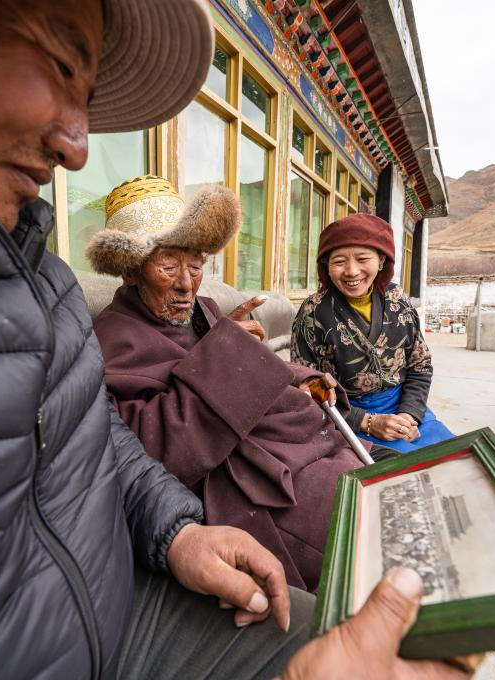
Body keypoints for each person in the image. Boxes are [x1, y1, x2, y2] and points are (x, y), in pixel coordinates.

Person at [0, 1, 472, 678]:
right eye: (60, 63)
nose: (76, 142)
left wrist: (173, 531)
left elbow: (91, 437)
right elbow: (160, 437)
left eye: (196, 261)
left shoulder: (41, 279)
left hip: (129, 589)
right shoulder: (114, 332)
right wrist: (237, 360)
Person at [88, 176, 393, 592]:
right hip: (254, 478)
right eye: (168, 265)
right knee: (366, 538)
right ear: (130, 271)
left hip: (301, 437)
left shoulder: (204, 308)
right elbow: (155, 449)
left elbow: (253, 360)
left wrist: (302, 377)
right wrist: (227, 351)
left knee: (399, 482)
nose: (186, 283)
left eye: (195, 265)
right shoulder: (113, 338)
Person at [291, 214, 455, 453]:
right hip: (346, 416)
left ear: (381, 260)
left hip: (404, 406)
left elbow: (420, 366)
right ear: (326, 265)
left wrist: (409, 415)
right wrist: (366, 422)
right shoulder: (312, 312)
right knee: (398, 466)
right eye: (339, 261)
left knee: (452, 453)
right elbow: (307, 386)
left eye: (362, 259)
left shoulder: (398, 301)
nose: (351, 271)